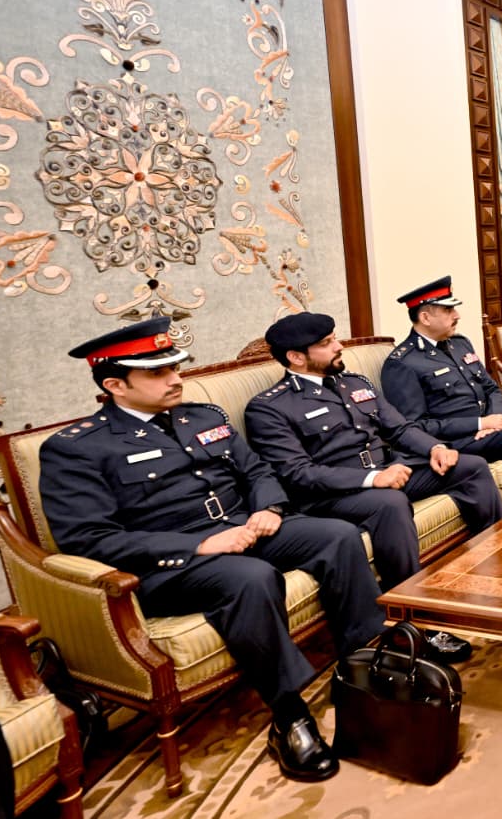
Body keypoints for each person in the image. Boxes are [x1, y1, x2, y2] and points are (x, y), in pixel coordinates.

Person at [38, 317, 385, 782]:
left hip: (243, 528)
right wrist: (199, 543)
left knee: (337, 536)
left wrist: (268, 509)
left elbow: (257, 471)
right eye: (157, 373)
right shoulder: (77, 448)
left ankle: (362, 665)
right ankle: (289, 716)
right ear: (115, 385)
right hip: (171, 565)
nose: (175, 378)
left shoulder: (203, 416)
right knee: (252, 578)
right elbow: (88, 539)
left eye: (174, 367)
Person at [244, 312, 499, 663]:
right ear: (296, 357)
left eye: (335, 338)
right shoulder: (269, 407)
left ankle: (492, 569)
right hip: (331, 497)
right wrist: (371, 479)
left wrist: (434, 448)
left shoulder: (354, 383)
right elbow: (298, 473)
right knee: (389, 504)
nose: (339, 346)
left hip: (386, 475)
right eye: (326, 343)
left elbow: (400, 428)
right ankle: (415, 623)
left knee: (470, 467)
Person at [380, 276, 502, 497]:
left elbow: (491, 388)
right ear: (425, 317)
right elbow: (417, 426)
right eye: (448, 310)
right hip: (458, 440)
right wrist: (480, 423)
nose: (457, 315)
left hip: (489, 425)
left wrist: (494, 419)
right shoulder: (403, 363)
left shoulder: (459, 344)